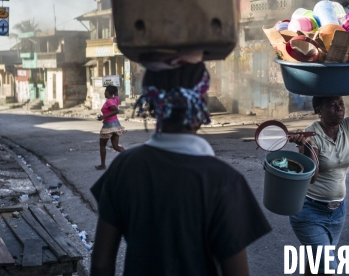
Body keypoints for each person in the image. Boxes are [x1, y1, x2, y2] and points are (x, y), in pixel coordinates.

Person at [90, 62, 271, 276]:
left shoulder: (124, 167)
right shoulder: (225, 180)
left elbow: (101, 264)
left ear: (151, 104)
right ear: (202, 102)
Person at [288, 50, 349, 275]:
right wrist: (303, 147)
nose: (339, 108)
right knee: (329, 267)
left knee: (316, 267)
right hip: (309, 212)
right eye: (332, 105)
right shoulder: (311, 134)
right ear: (318, 110)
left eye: (341, 103)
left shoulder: (346, 127)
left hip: (337, 213)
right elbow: (311, 177)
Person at [95, 85, 126, 170]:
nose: (104, 93)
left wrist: (103, 117)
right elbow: (116, 93)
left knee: (102, 145)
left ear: (108, 93)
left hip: (108, 125)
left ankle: (103, 165)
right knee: (116, 146)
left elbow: (116, 111)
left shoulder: (109, 101)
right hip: (116, 125)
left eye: (105, 91)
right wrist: (114, 86)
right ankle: (130, 158)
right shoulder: (115, 99)